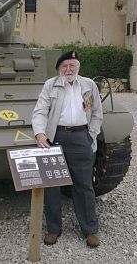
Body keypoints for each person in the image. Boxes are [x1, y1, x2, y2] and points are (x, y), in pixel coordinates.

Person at [31, 51, 103, 248]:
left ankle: (90, 230)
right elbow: (39, 111)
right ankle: (54, 229)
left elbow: (97, 112)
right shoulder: (50, 85)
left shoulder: (89, 85)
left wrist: (92, 135)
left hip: (82, 137)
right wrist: (39, 133)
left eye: (72, 65)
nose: (68, 69)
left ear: (78, 67)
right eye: (65, 66)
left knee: (83, 185)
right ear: (59, 69)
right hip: (56, 138)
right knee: (52, 186)